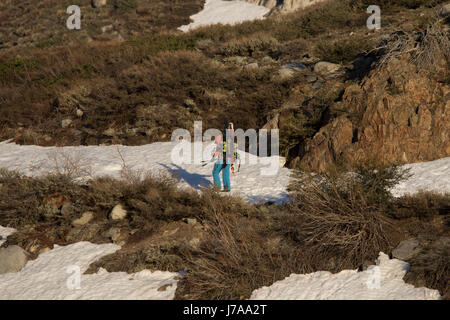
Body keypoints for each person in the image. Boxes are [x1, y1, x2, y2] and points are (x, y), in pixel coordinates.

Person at [212, 122, 238, 192]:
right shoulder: (231, 137)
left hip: (222, 158)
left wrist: (214, 154)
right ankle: (227, 188)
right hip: (229, 158)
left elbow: (219, 148)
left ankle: (217, 187)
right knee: (225, 173)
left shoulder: (220, 137)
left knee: (215, 172)